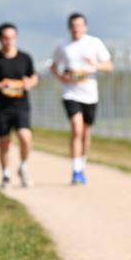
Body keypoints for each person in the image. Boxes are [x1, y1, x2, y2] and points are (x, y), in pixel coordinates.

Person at [50, 12, 112, 184]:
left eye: (80, 25)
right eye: (74, 26)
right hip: (70, 93)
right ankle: (76, 169)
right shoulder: (63, 46)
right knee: (76, 128)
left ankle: (82, 164)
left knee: (85, 132)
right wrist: (61, 77)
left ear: (85, 27)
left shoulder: (94, 43)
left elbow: (109, 65)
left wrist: (95, 65)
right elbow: (53, 66)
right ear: (69, 27)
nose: (77, 29)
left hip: (90, 94)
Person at [0, 22, 39, 188]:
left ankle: (23, 166)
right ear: (0, 39)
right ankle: (6, 174)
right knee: (4, 142)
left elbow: (34, 77)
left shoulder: (25, 58)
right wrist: (0, 85)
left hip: (21, 105)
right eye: (6, 38)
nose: (9, 41)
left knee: (25, 137)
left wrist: (30, 83)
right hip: (1, 107)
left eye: (12, 37)